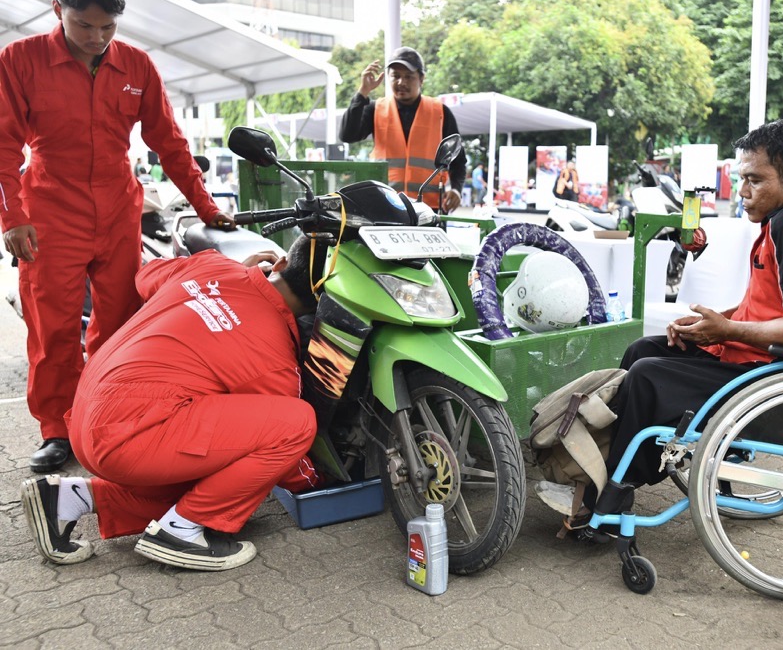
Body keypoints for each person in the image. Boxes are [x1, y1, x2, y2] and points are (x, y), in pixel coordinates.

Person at [538, 118, 783, 528]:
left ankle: (610, 494)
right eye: (741, 179)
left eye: (754, 180)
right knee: (645, 349)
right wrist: (713, 322)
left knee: (646, 375)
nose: (743, 192)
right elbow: (773, 308)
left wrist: (727, 331)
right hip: (773, 362)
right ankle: (606, 467)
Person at [0, 0, 237, 474]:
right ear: (57, 10)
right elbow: (2, 146)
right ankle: (57, 430)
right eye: (84, 25)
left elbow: (169, 143)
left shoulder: (137, 66)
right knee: (53, 329)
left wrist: (207, 207)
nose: (96, 37)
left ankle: (105, 411)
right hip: (49, 215)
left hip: (118, 210)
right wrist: (13, 217)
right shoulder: (19, 60)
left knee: (121, 320)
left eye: (108, 27)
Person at [20, 235, 328, 571]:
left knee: (219, 476)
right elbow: (288, 456)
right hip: (126, 437)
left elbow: (146, 276)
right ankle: (183, 532)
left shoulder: (211, 264)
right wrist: (321, 485)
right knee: (296, 423)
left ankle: (69, 498)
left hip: (87, 412)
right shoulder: (274, 359)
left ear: (280, 263)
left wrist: (222, 286)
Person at [338, 46, 466, 213]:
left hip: (428, 209)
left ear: (421, 79)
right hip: (384, 206)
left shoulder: (440, 112)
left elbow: (458, 160)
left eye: (408, 77)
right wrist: (363, 92)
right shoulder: (375, 109)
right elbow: (348, 135)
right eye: (395, 76)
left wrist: (456, 189)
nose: (401, 82)